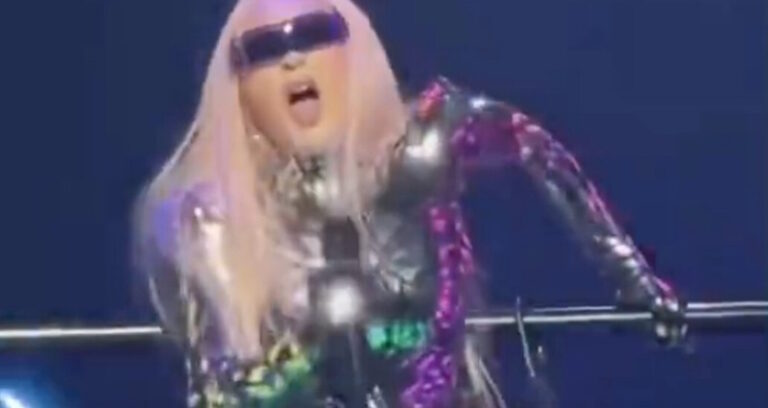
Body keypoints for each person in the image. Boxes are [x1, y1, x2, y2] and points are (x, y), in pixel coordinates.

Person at [133, 0, 684, 406]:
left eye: (316, 34)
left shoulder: (420, 148)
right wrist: (298, 367)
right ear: (241, 88)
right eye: (265, 50)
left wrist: (632, 275)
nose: (293, 59)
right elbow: (217, 390)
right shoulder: (214, 218)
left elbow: (532, 145)